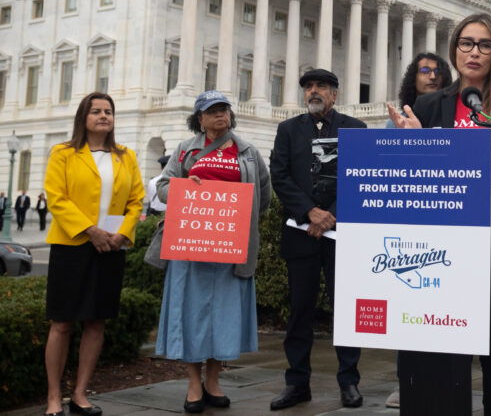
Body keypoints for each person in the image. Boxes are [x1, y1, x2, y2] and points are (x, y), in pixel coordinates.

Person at [388, 12, 491, 416]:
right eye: (466, 43)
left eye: (484, 44)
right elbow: (413, 181)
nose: (474, 52)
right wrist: (412, 144)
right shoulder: (429, 105)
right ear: (455, 48)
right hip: (447, 248)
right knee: (448, 358)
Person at [153, 91, 271, 413]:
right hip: (189, 250)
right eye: (213, 111)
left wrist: (235, 223)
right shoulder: (184, 150)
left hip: (229, 248)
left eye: (225, 110)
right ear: (200, 118)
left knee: (224, 317)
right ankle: (193, 384)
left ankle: (214, 381)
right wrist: (183, 188)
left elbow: (264, 195)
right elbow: (162, 188)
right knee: (190, 315)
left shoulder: (247, 152)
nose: (221, 115)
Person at [270, 69, 367, 411]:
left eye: (321, 86)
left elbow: (361, 176)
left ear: (334, 94)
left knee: (345, 309)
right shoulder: (288, 129)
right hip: (301, 233)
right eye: (309, 86)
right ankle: (297, 383)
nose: (314, 91)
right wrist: (310, 212)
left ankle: (349, 381)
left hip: (342, 236)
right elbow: (279, 176)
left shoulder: (356, 129)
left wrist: (332, 216)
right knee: (299, 311)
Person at [42, 92, 145, 416]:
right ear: (83, 117)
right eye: (96, 111)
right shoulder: (63, 153)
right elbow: (56, 197)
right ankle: (53, 397)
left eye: (108, 112)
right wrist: (91, 230)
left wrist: (122, 234)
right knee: (62, 322)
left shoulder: (126, 156)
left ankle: (81, 394)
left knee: (96, 322)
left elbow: (136, 201)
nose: (104, 116)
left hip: (111, 249)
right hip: (71, 246)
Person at [383, 52, 454, 409]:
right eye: (424, 70)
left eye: (437, 70)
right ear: (413, 76)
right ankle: (404, 380)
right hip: (409, 222)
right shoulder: (395, 119)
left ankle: (443, 378)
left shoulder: (452, 115)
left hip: (447, 220)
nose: (431, 75)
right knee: (406, 308)